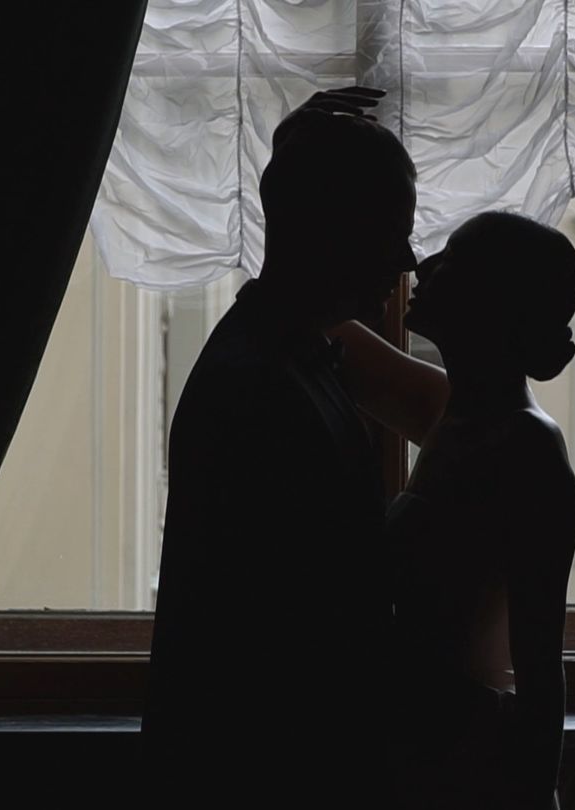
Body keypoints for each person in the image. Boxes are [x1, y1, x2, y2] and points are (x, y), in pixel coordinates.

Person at [141, 87, 416, 807]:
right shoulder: (263, 386)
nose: (409, 257)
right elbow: (302, 639)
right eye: (393, 229)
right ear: (334, 232)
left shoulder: (278, 356)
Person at [333, 211, 575, 809]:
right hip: (423, 749)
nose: (423, 266)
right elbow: (329, 336)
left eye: (453, 257)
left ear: (492, 301)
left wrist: (535, 793)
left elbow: (540, 663)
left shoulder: (526, 447)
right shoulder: (457, 411)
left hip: (465, 765)